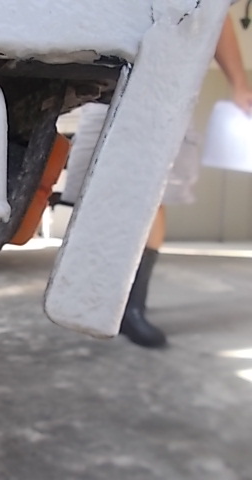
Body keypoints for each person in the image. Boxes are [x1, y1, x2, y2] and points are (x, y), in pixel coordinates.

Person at [61, 13, 252, 348]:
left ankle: (133, 306)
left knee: (148, 199)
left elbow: (216, 15)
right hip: (101, 88)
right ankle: (100, 297)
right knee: (93, 197)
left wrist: (239, 83)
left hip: (165, 88)